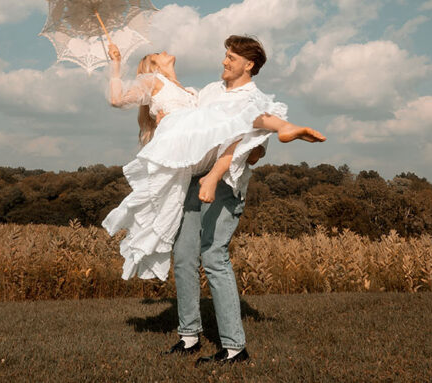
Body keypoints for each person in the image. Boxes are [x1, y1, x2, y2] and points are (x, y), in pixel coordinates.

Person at [102, 35, 324, 365]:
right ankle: (189, 337)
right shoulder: (209, 91)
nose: (224, 61)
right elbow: (190, 120)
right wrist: (166, 124)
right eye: (225, 55)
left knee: (214, 255)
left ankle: (235, 347)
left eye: (231, 57)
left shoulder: (254, 97)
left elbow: (254, 149)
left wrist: (250, 153)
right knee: (183, 256)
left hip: (225, 183)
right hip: (193, 180)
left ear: (248, 65)